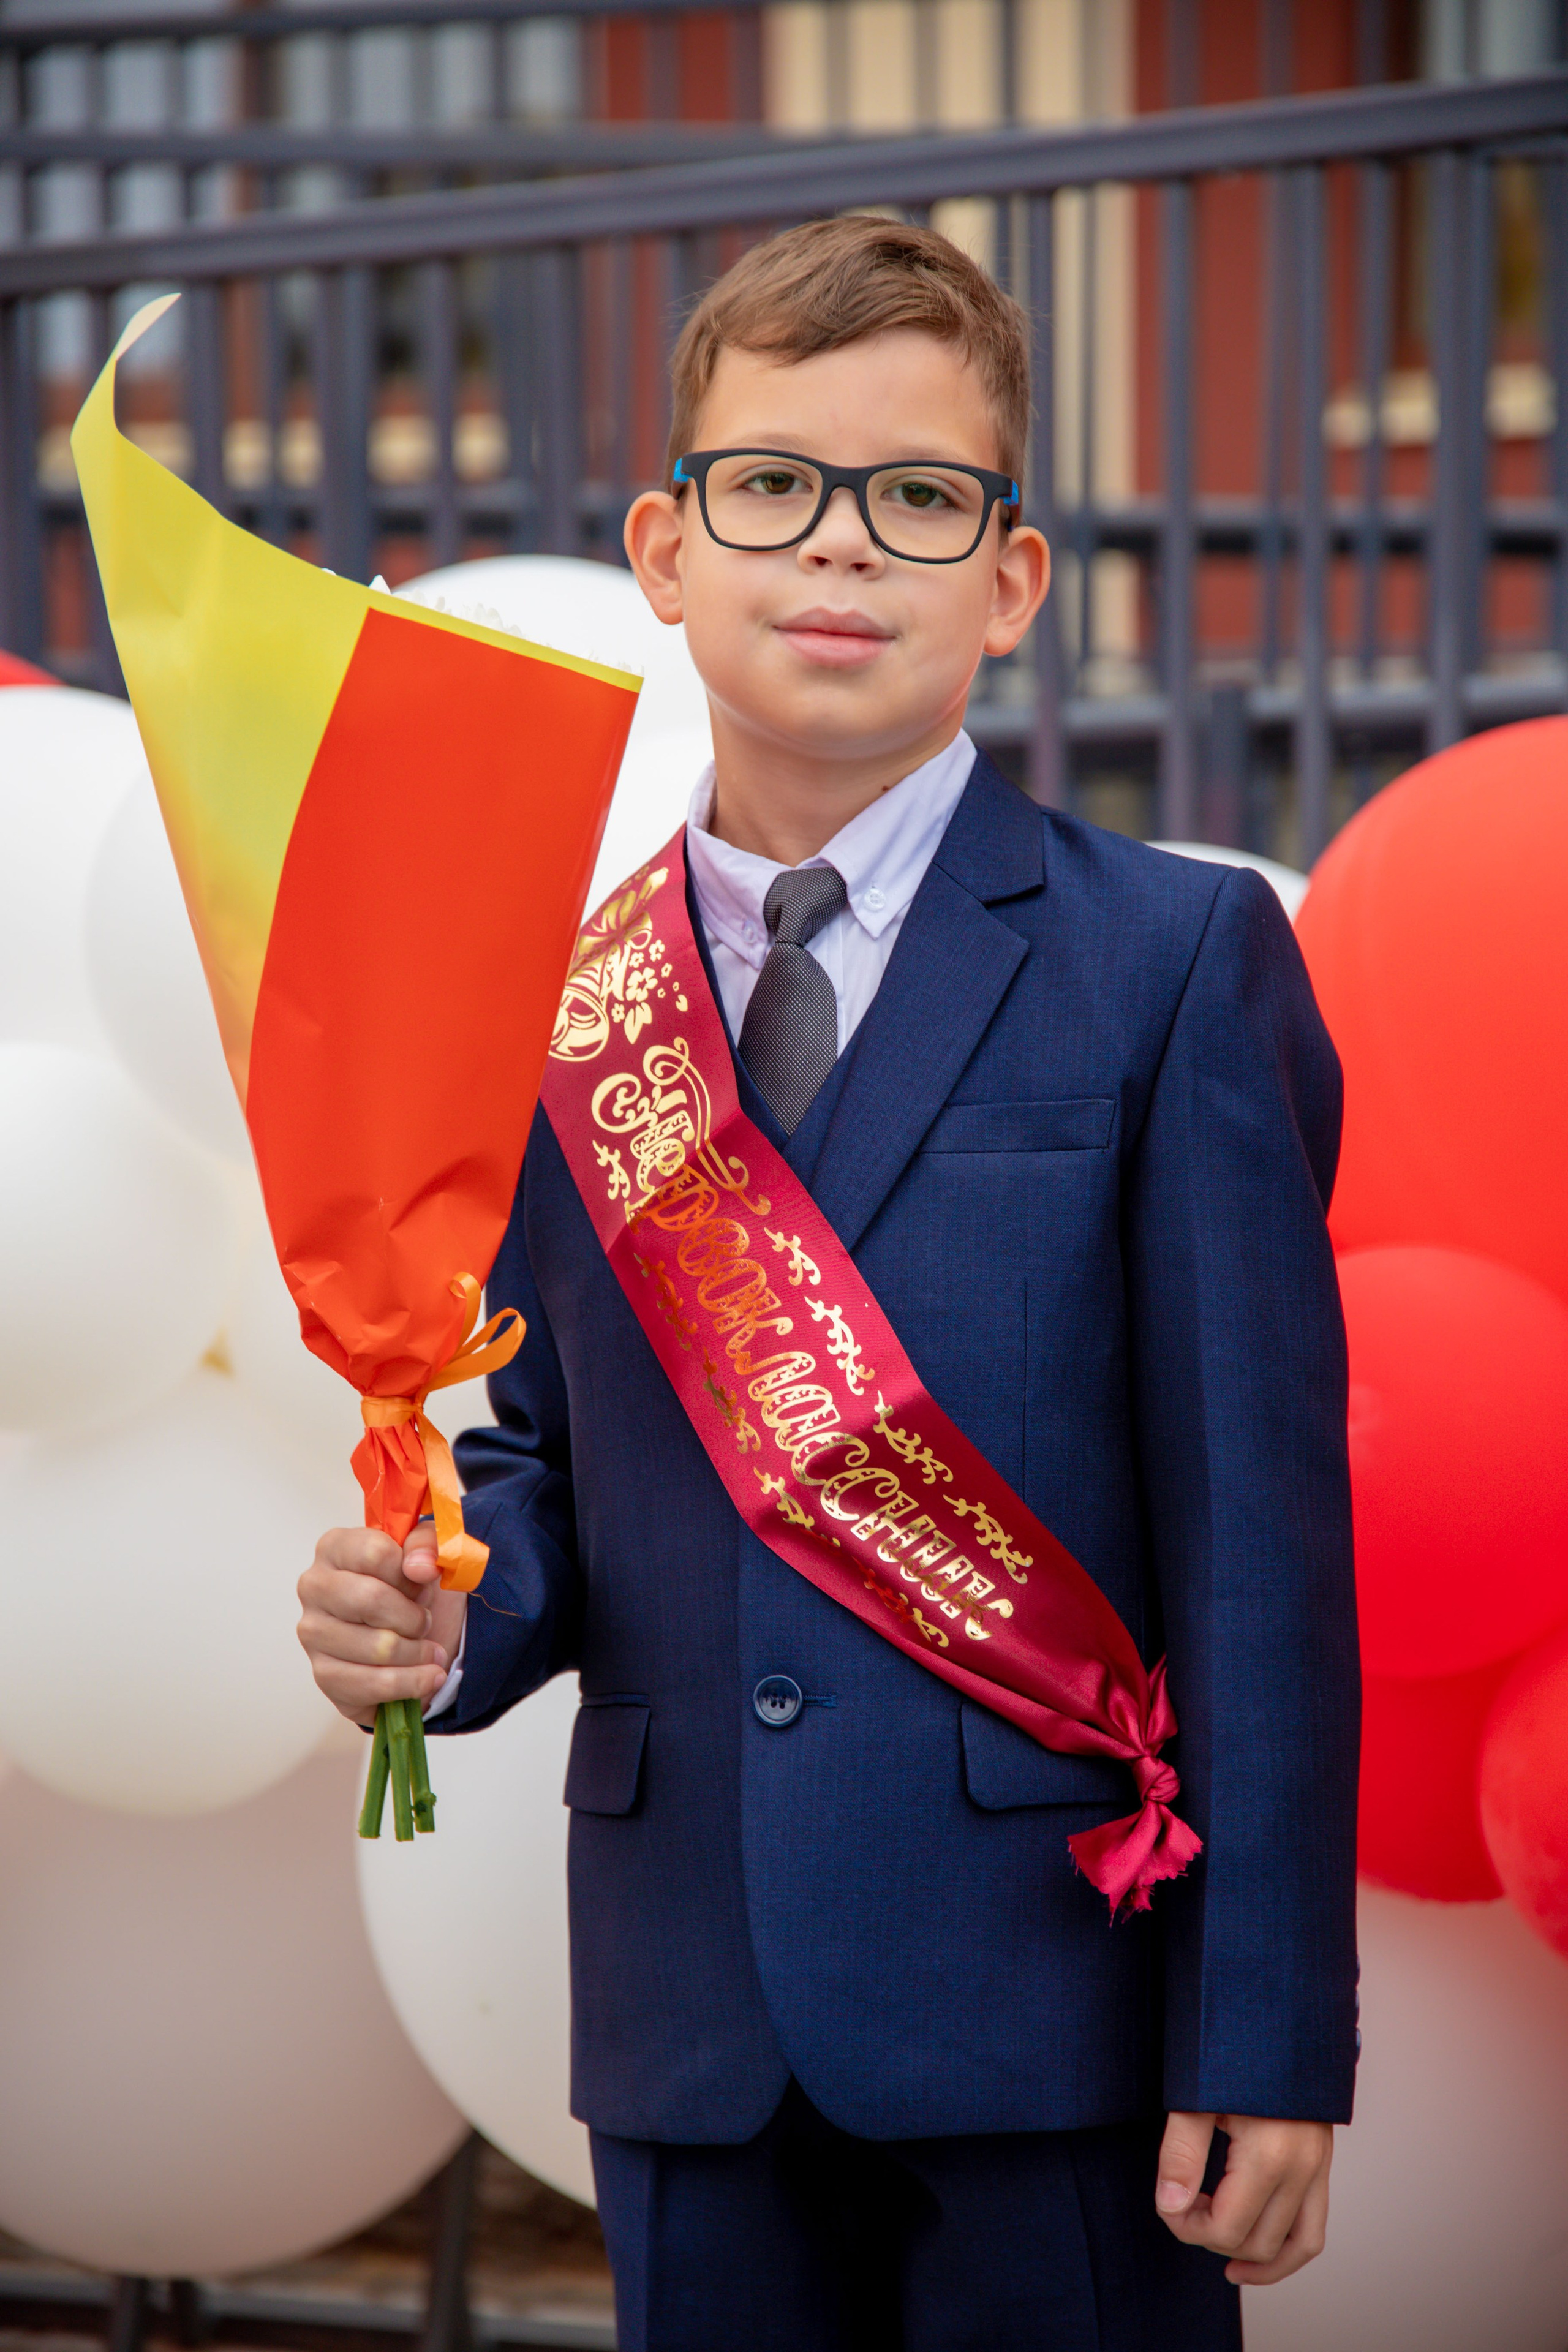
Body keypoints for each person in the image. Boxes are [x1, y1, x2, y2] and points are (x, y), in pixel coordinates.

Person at [297, 217, 1359, 2351]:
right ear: (668, 552)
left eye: (921, 498)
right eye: (773, 485)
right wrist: (441, 1603)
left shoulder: (1168, 964)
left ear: (1012, 577)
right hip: (693, 2020)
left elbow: (1263, 1550)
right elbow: (545, 1467)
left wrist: (1266, 2031)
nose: (840, 549)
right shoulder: (562, 1001)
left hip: (1054, 2017)